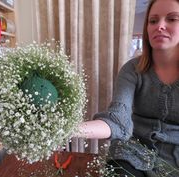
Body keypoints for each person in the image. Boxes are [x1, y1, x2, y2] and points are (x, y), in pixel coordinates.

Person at [74, 0, 179, 176]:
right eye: (153, 21)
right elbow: (118, 121)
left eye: (172, 19)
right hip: (131, 152)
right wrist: (67, 130)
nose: (160, 26)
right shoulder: (132, 70)